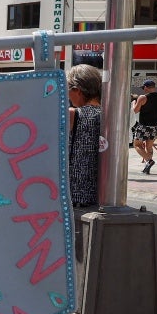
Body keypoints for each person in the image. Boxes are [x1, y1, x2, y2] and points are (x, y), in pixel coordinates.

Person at [66, 64, 104, 258]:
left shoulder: (73, 115)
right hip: (101, 197)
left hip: (75, 198)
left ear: (77, 90)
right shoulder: (110, 115)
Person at [131, 77, 157, 175]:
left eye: (143, 88)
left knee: (137, 144)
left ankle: (149, 161)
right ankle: (147, 167)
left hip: (144, 125)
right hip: (156, 125)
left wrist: (134, 104)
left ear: (146, 87)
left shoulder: (142, 97)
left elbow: (135, 111)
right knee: (149, 146)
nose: (143, 89)